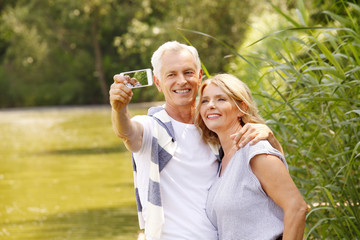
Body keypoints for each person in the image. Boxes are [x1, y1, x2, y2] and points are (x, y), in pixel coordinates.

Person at [109, 41, 283, 240]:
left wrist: (270, 137)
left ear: (199, 77)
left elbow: (271, 173)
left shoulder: (215, 128)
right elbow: (126, 132)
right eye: (171, 75)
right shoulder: (151, 127)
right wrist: (119, 108)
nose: (182, 81)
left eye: (188, 72)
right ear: (158, 83)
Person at [194, 74, 308, 240]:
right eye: (205, 101)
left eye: (221, 99)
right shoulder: (221, 160)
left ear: (242, 107)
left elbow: (297, 207)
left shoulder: (255, 149)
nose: (210, 105)